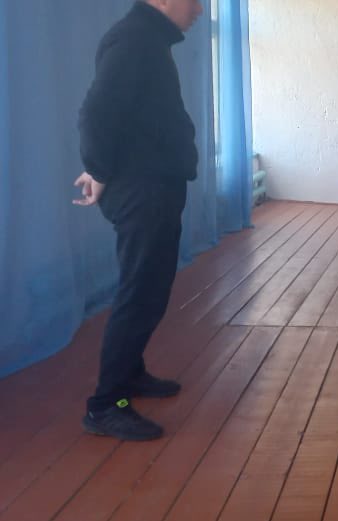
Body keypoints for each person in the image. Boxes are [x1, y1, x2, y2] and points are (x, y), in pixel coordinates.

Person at [72, 0, 204, 441]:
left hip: (154, 186)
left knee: (151, 292)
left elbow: (130, 117)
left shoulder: (148, 39)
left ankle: (129, 375)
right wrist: (99, 171)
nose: (199, 9)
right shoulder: (134, 39)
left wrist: (101, 170)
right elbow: (95, 115)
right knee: (139, 293)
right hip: (142, 191)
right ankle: (105, 405)